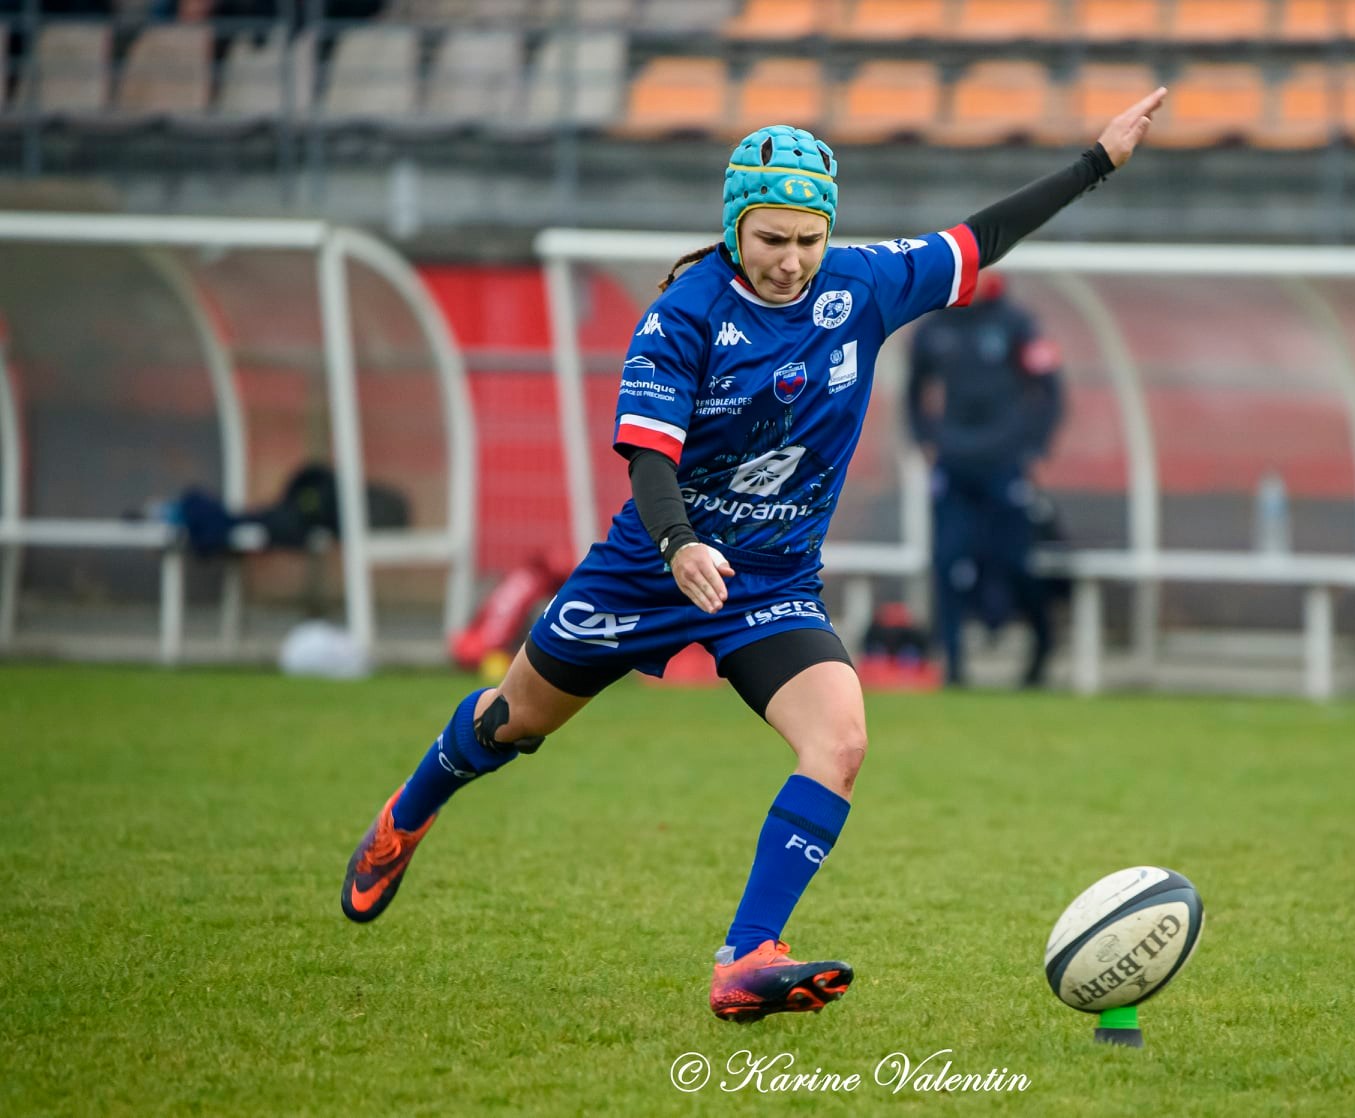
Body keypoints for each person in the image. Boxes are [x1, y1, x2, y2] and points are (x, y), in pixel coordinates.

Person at [339, 88, 1170, 1022]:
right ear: (735, 228)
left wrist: (1093, 163)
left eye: (808, 239)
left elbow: (980, 238)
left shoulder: (862, 282)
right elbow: (647, 457)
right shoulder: (684, 315)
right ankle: (404, 817)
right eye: (772, 239)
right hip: (646, 571)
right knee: (513, 723)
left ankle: (745, 958)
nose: (792, 260)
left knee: (840, 741)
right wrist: (679, 543)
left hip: (769, 586)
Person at [908, 273, 1064, 687]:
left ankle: (1041, 651)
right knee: (947, 563)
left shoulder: (1018, 323)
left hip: (1004, 466)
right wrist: (925, 439)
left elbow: (1050, 389)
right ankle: (955, 667)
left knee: (1014, 563)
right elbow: (914, 390)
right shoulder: (934, 328)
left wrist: (1035, 447)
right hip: (954, 466)